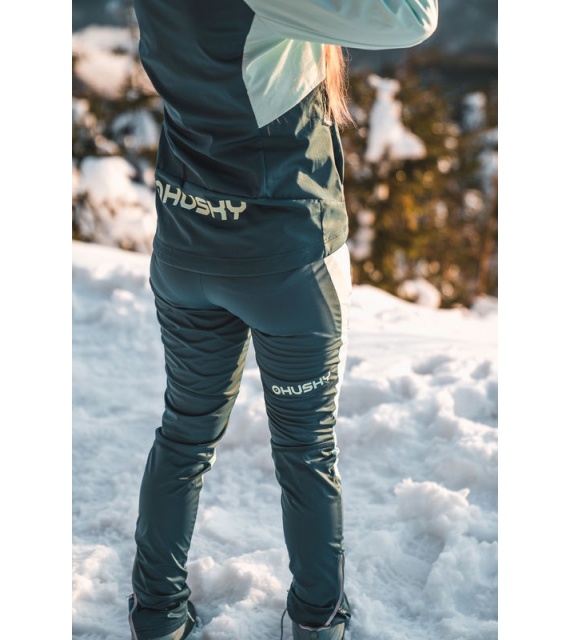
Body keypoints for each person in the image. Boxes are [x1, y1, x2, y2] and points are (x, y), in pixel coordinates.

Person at [127, 1, 438, 639]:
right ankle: (317, 619)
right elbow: (412, 17)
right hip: (288, 264)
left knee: (184, 434)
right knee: (305, 450)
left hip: (185, 246)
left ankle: (156, 612)